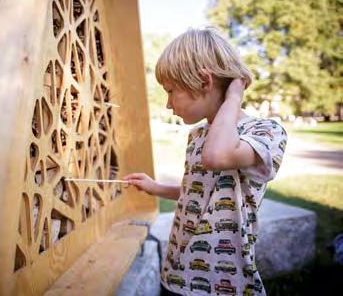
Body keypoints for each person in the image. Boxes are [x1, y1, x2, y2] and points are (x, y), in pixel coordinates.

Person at [123, 27, 287, 295]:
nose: (167, 104)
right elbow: (198, 192)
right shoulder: (197, 134)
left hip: (222, 282)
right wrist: (155, 187)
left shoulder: (265, 133)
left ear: (204, 81)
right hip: (176, 273)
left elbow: (217, 157)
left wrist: (233, 97)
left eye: (171, 90)